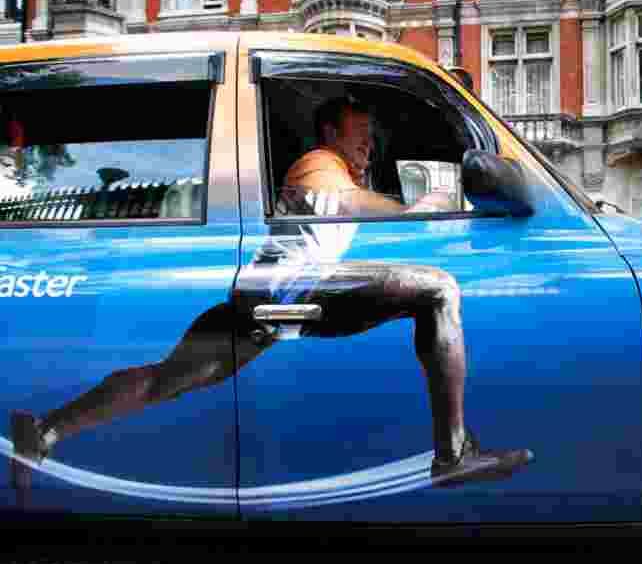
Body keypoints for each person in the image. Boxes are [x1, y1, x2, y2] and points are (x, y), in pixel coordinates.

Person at [10, 96, 532, 495]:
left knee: (164, 381)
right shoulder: (319, 162)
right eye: (361, 134)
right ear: (331, 130)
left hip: (259, 295)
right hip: (297, 289)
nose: (368, 146)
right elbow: (348, 202)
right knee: (438, 289)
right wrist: (426, 205)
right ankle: (453, 452)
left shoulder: (332, 170)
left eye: (372, 139)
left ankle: (46, 431)